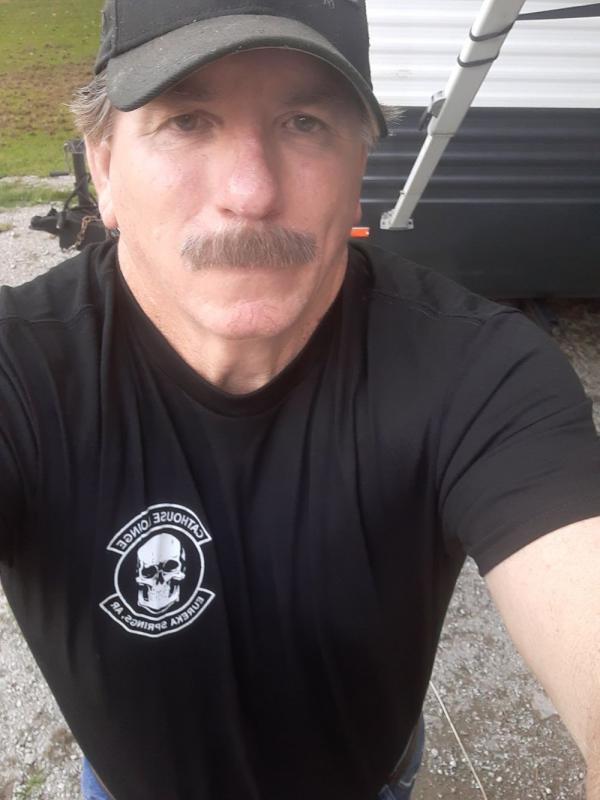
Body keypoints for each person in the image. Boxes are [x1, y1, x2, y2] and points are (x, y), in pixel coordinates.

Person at [1, 1, 599, 798]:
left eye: (305, 123)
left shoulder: (481, 372)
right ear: (104, 168)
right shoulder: (22, 367)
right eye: (187, 122)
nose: (250, 192)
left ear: (359, 173)